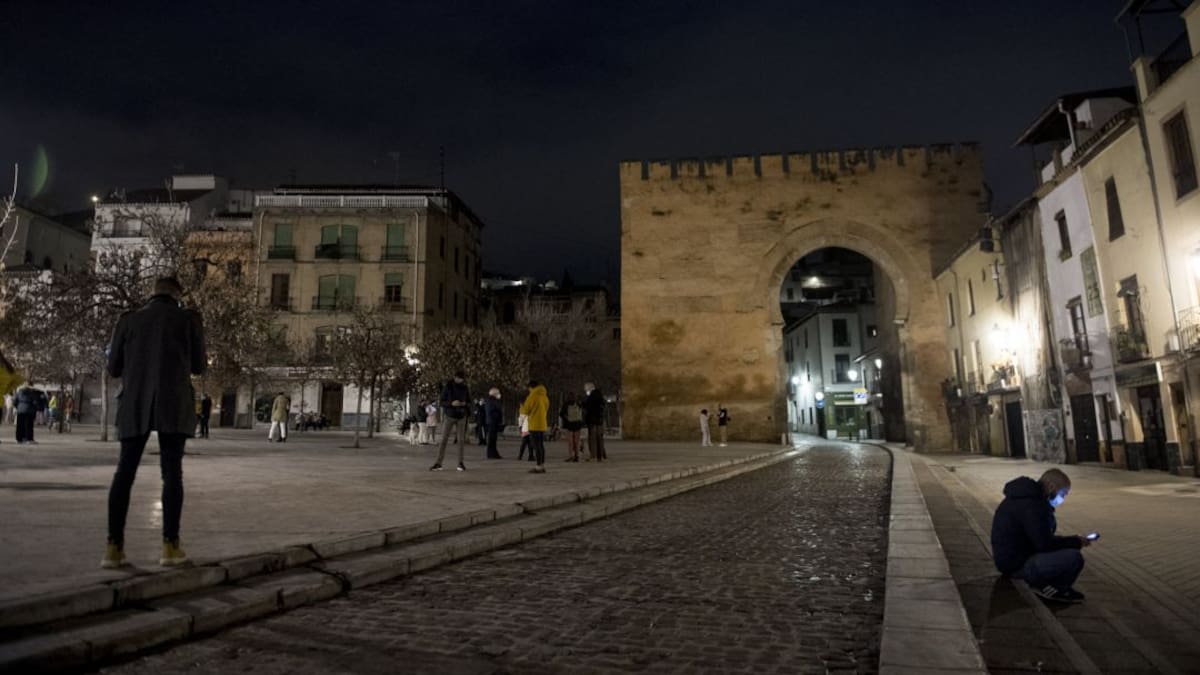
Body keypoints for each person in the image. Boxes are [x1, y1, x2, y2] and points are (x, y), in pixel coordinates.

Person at [103, 277, 207, 569]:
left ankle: (113, 548)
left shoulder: (128, 320)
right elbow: (199, 365)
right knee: (172, 473)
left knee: (124, 473)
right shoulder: (189, 320)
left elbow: (113, 369)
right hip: (174, 402)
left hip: (135, 402)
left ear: (152, 293)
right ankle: (170, 546)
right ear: (178, 295)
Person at [990, 468, 1091, 603]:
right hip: (1017, 565)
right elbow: (1044, 544)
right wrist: (1076, 541)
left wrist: (1069, 540)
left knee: (1064, 550)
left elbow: (1040, 537)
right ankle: (1054, 590)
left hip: (1011, 560)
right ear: (1051, 486)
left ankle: (1051, 586)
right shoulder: (1033, 505)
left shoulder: (1026, 498)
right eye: (1063, 494)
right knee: (1073, 557)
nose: (1062, 499)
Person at [431, 371, 469, 471]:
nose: (461, 380)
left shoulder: (465, 388)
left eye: (462, 379)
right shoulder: (448, 387)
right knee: (444, 439)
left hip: (461, 415)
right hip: (450, 415)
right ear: (455, 377)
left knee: (461, 441)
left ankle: (460, 463)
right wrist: (451, 403)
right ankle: (438, 463)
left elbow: (469, 401)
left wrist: (464, 404)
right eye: (459, 378)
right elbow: (441, 402)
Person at [519, 380, 550, 473]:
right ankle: (542, 464)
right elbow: (547, 408)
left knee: (536, 446)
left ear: (531, 387)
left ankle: (538, 466)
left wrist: (522, 407)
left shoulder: (532, 397)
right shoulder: (544, 396)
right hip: (542, 423)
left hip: (534, 424)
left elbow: (525, 410)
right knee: (540, 445)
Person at [583, 382, 607, 462]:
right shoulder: (600, 397)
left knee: (592, 438)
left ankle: (593, 455)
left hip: (592, 420)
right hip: (599, 420)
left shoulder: (591, 397)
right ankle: (601, 455)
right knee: (600, 438)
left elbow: (587, 407)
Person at [560, 393, 585, 462]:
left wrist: (567, 418)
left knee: (570, 441)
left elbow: (561, 414)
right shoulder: (578, 404)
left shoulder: (566, 404)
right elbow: (583, 412)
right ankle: (577, 455)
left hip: (569, 424)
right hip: (577, 424)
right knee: (576, 441)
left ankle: (571, 455)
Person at [485, 387, 504, 459]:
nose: (499, 395)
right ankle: (491, 454)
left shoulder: (489, 400)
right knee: (492, 439)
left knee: (493, 438)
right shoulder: (493, 401)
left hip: (491, 421)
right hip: (493, 421)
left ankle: (493, 453)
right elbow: (496, 410)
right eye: (498, 393)